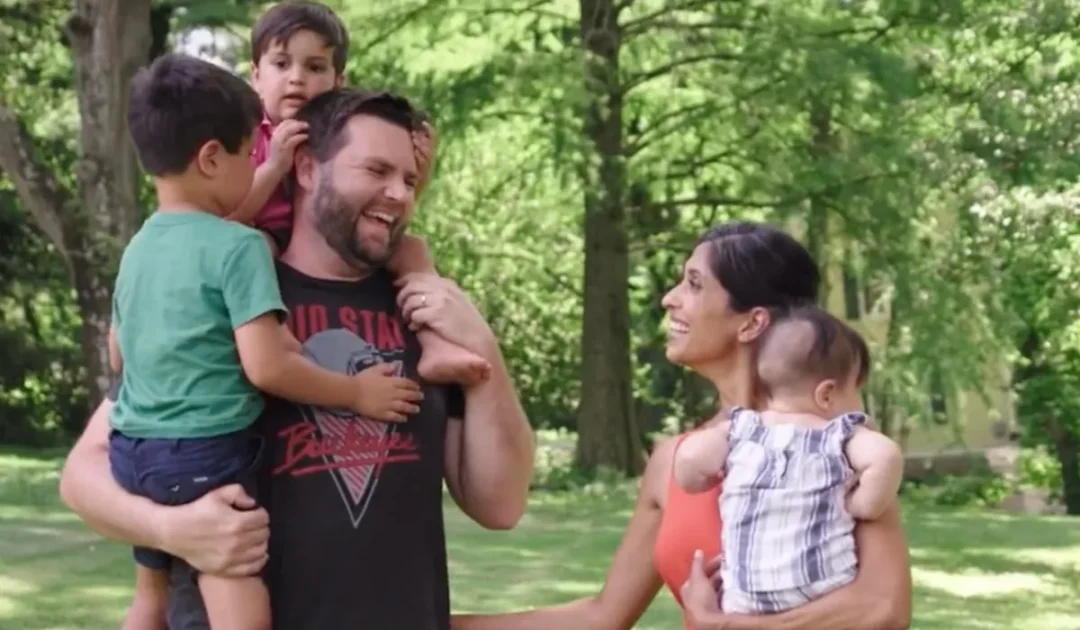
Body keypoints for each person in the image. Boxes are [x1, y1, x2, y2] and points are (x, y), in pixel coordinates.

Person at [58, 87, 535, 630]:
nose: (399, 193)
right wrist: (169, 529)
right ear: (307, 169)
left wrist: (483, 346)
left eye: (408, 178)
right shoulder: (224, 288)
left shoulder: (425, 312)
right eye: (376, 170)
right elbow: (82, 474)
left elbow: (500, 506)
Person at [452, 222, 911, 630]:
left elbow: (882, 606)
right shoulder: (675, 460)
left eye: (693, 284)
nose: (669, 298)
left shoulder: (830, 440)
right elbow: (601, 618)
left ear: (752, 322)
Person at [109, 54, 427, 630]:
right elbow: (266, 365)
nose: (261, 170)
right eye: (248, 155)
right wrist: (355, 395)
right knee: (239, 598)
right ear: (212, 159)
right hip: (205, 456)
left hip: (137, 451)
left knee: (149, 603)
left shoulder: (139, 251)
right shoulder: (240, 248)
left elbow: (118, 354)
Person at [229, 0, 490, 386]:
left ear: (338, 80)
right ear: (256, 75)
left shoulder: (350, 133)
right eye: (282, 65)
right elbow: (231, 212)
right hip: (262, 234)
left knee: (413, 249)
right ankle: (271, 335)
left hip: (330, 239)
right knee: (255, 250)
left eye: (315, 67)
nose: (297, 79)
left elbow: (384, 201)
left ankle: (436, 342)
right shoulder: (250, 135)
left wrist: (419, 170)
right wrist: (274, 167)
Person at [674, 306, 903, 614]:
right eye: (856, 391)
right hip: (823, 587)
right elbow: (886, 456)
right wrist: (862, 504)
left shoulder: (742, 429)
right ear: (826, 395)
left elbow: (688, 458)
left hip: (744, 597)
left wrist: (700, 479)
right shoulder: (838, 434)